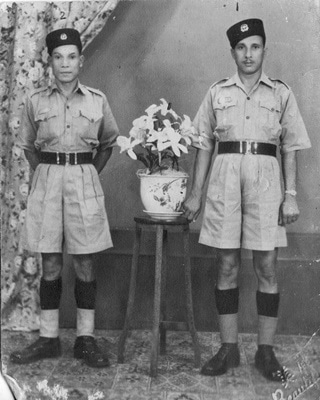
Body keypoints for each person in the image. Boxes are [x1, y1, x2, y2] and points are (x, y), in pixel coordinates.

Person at [182, 18, 311, 381]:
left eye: (255, 46)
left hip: (267, 182)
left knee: (267, 266)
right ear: (233, 52)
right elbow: (203, 145)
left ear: (264, 49)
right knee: (226, 264)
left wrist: (290, 196)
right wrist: (196, 194)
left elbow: (290, 149)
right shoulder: (217, 92)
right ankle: (229, 348)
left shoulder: (281, 93)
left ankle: (265, 352)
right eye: (241, 47)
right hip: (225, 179)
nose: (248, 54)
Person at [10, 28, 119, 368]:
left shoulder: (97, 100)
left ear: (81, 60)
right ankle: (48, 338)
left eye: (72, 56)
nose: (65, 63)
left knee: (85, 261)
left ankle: (85, 339)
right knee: (51, 263)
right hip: (48, 181)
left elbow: (108, 143)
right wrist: (49, 174)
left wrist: (85, 174)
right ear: (51, 62)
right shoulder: (36, 101)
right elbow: (28, 147)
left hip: (83, 179)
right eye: (58, 57)